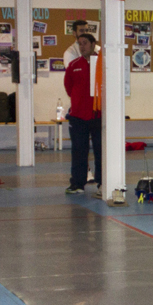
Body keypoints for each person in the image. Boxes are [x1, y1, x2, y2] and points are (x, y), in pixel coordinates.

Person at [63, 33, 101, 194]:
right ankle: (77, 183)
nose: (82, 46)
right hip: (78, 117)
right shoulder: (73, 65)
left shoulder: (102, 64)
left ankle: (102, 183)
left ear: (93, 44)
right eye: (80, 44)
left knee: (101, 151)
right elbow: (68, 88)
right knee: (78, 151)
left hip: (98, 116)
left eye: (85, 43)